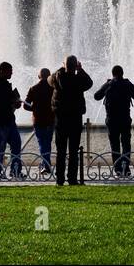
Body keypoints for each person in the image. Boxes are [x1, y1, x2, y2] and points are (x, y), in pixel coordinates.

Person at [50, 55, 93, 186]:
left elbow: (49, 79)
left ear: (65, 65)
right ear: (75, 66)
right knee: (73, 151)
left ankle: (60, 179)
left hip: (61, 119)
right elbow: (89, 83)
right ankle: (72, 179)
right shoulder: (78, 80)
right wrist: (80, 70)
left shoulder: (57, 79)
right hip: (75, 119)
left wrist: (62, 67)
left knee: (60, 151)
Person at [94, 65, 134, 176]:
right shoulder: (127, 84)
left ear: (113, 74)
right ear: (122, 73)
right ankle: (126, 168)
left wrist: (106, 84)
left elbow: (97, 96)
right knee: (126, 144)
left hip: (112, 120)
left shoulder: (109, 84)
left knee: (114, 145)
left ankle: (118, 169)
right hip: (125, 119)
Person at [0, 62, 24, 179]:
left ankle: (15, 170)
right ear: (2, 71)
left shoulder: (5, 85)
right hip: (0, 122)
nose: (11, 73)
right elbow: (0, 105)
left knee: (16, 144)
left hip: (9, 120)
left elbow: (8, 104)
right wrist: (13, 102)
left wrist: (16, 104)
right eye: (9, 71)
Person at [23, 68, 55, 174]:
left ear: (38, 76)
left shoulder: (33, 88)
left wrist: (34, 109)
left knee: (42, 143)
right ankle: (46, 164)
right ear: (49, 76)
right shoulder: (53, 88)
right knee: (47, 143)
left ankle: (46, 165)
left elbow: (25, 105)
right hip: (50, 120)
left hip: (38, 120)